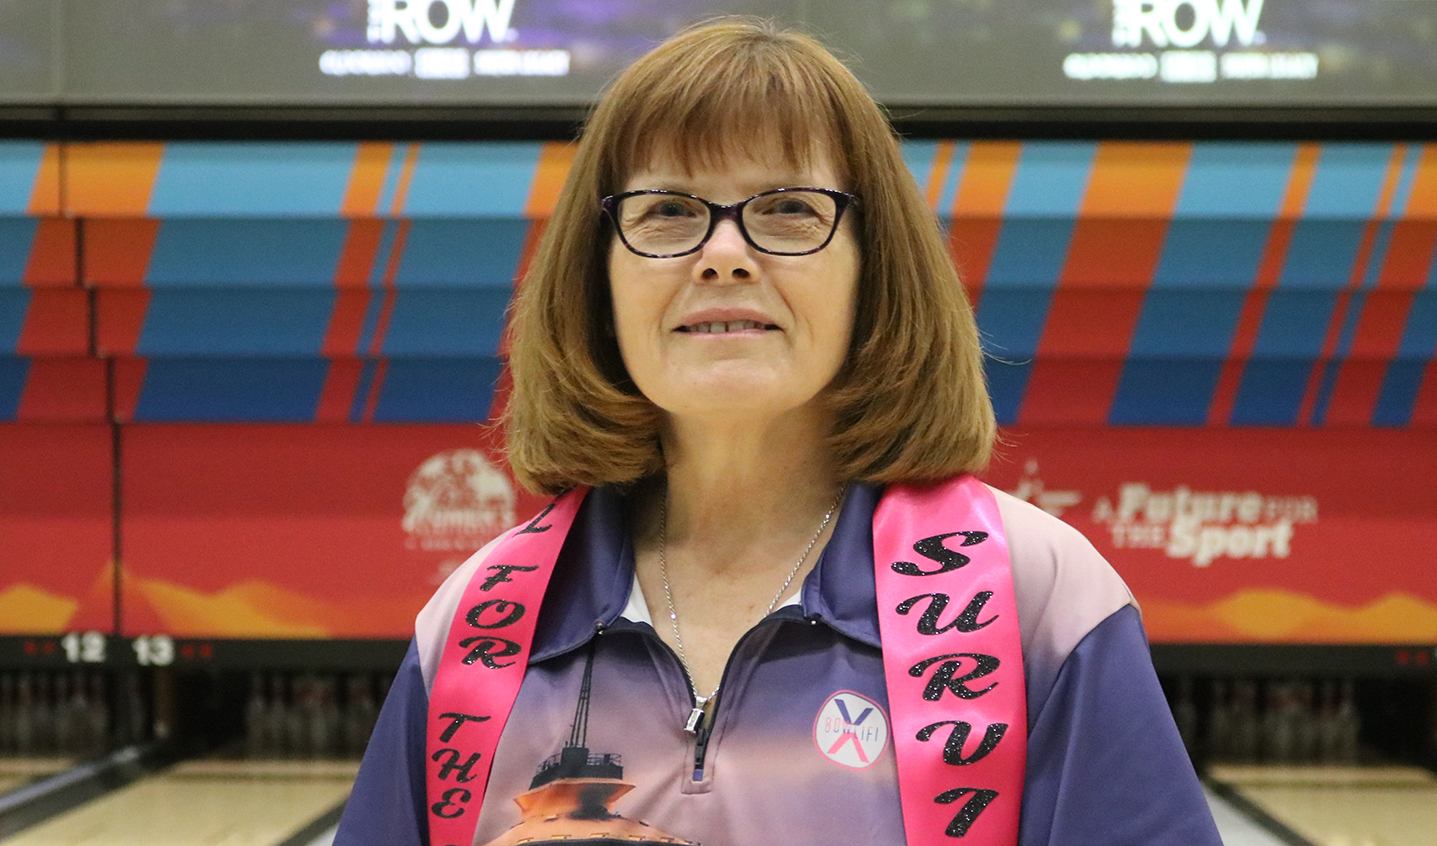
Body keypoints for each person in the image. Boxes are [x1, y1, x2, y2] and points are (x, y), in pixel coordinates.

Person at [335, 17, 1222, 846]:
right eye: (667, 213)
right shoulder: (476, 623)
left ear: (875, 274)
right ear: (597, 283)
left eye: (790, 210)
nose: (723, 253)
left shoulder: (1039, 599)